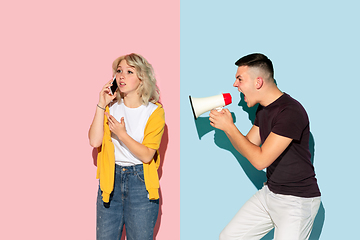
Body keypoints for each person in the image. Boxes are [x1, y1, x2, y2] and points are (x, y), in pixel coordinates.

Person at [209, 53, 321, 240]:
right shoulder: (264, 109)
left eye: (239, 79)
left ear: (258, 82)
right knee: (229, 237)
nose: (235, 85)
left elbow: (260, 160)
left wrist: (230, 127)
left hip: (297, 201)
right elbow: (249, 145)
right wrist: (228, 128)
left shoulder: (290, 112)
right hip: (270, 194)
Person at [88, 53, 165, 240]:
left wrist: (122, 134)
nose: (121, 76)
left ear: (142, 79)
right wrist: (100, 104)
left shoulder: (154, 112)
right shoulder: (110, 108)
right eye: (119, 71)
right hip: (110, 181)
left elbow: (147, 155)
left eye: (129, 71)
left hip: (141, 184)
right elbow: (94, 141)